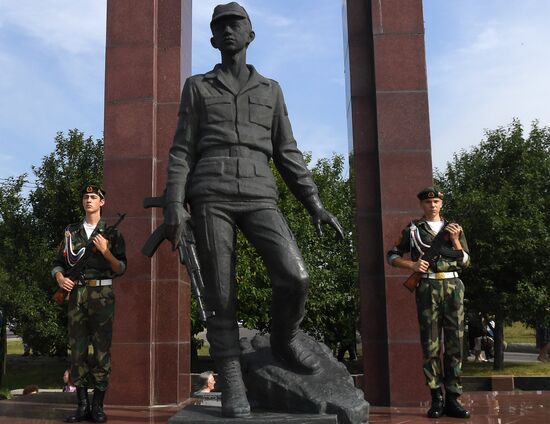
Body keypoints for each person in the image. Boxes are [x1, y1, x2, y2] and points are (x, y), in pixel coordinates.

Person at [162, 2, 344, 418]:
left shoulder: (271, 89)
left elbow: (288, 152)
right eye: (220, 26)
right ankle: (230, 380)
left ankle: (286, 338)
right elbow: (181, 150)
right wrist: (175, 201)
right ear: (212, 39)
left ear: (250, 35)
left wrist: (314, 202)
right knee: (220, 293)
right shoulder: (197, 86)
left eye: (236, 23)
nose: (228, 31)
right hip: (211, 192)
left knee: (295, 275)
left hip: (260, 193)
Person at [387, 187, 471, 419]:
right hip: (428, 288)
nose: (432, 205)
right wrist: (411, 266)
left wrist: (455, 240)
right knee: (431, 344)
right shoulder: (413, 230)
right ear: (422, 205)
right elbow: (392, 255)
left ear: (441, 204)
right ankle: (437, 398)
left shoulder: (454, 229)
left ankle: (454, 398)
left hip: (454, 288)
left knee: (456, 344)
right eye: (428, 202)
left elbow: (465, 261)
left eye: (436, 201)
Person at [51, 186, 126, 423]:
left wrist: (106, 252)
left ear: (102, 202)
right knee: (77, 352)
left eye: (94, 197)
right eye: (85, 197)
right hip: (76, 295)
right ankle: (82, 406)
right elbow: (57, 262)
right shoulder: (71, 231)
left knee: (102, 352)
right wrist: (60, 278)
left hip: (102, 294)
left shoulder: (112, 234)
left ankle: (98, 407)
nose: (89, 200)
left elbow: (121, 268)